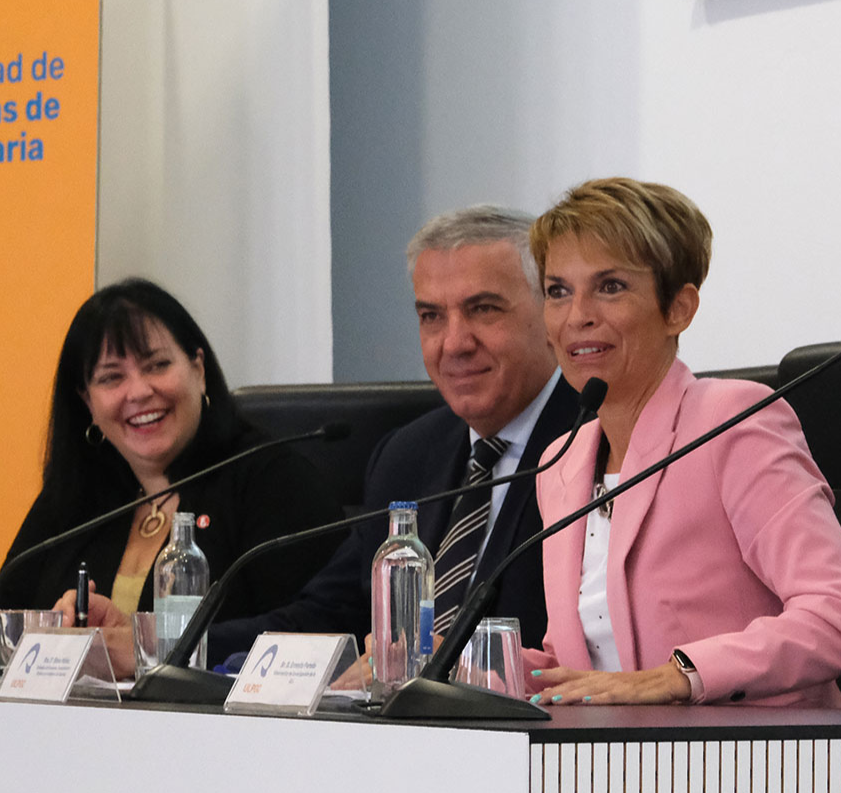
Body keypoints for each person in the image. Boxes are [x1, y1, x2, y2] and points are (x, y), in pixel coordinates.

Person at [522, 178, 841, 707]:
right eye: (558, 291)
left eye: (610, 286)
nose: (578, 316)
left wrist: (679, 674)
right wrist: (441, 667)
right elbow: (586, 665)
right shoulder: (561, 461)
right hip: (617, 770)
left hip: (760, 767)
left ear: (678, 309)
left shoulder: (731, 422)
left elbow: (840, 616)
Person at [211, 206, 580, 658]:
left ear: (551, 315)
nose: (454, 343)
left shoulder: (598, 443)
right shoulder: (407, 454)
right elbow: (327, 615)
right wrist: (174, 647)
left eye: (483, 309)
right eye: (431, 316)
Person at [0, 278, 345, 671]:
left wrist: (145, 648)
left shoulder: (272, 480)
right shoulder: (74, 500)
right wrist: (54, 631)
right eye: (111, 377)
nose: (139, 392)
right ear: (87, 401)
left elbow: (320, 632)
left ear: (199, 369)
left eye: (157, 365)